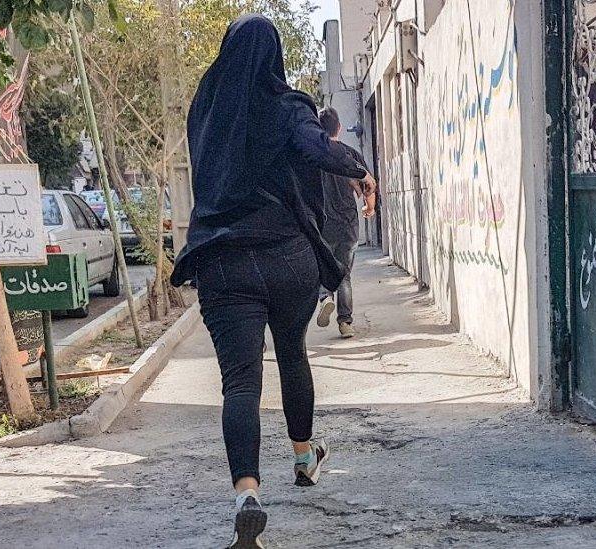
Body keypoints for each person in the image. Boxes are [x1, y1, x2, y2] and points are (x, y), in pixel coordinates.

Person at [169, 15, 377, 549]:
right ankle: (305, 455)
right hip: (286, 259)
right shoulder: (287, 108)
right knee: (292, 354)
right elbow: (319, 150)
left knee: (240, 383)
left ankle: (246, 495)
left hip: (222, 260)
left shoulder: (206, 107)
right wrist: (360, 170)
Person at [314, 107, 372, 338]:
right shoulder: (350, 155)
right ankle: (345, 322)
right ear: (339, 127)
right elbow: (368, 184)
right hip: (348, 222)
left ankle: (325, 297)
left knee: (323, 267)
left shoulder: (314, 157)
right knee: (344, 274)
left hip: (323, 222)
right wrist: (369, 206)